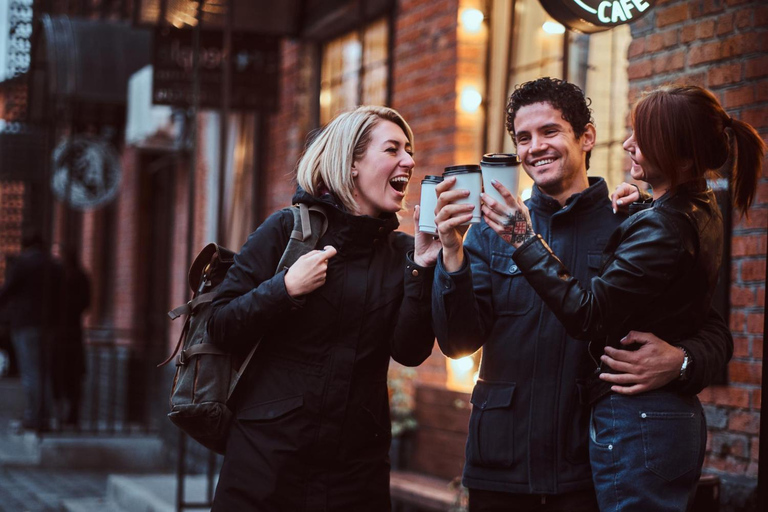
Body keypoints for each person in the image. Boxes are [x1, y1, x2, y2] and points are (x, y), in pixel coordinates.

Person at [432, 78, 735, 511]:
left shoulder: (630, 222)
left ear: (586, 136)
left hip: (591, 468)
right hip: (499, 469)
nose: (535, 146)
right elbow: (457, 341)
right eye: (523, 137)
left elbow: (714, 333)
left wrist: (681, 362)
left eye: (549, 131)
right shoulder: (485, 234)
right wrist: (451, 252)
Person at [207, 105, 440, 511]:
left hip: (356, 473)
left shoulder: (403, 252)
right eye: (392, 149)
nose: (409, 160)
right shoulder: (286, 230)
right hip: (266, 462)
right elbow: (220, 324)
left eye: (409, 149)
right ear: (351, 163)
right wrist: (285, 289)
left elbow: (409, 351)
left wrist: (421, 269)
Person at [0, 232, 62, 431]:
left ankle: (34, 416)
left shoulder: (23, 264)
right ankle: (45, 416)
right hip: (49, 325)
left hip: (26, 324)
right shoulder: (54, 265)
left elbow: (7, 291)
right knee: (44, 371)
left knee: (30, 372)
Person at [53, 249, 91, 427]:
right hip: (74, 334)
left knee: (63, 376)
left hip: (63, 335)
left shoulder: (62, 279)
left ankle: (63, 415)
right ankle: (71, 415)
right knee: (73, 379)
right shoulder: (81, 277)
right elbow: (86, 304)